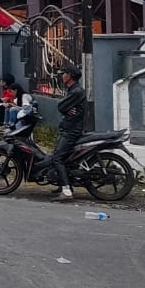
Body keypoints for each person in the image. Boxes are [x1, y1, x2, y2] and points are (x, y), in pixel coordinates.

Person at [39, 66, 87, 200]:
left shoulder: (76, 91)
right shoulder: (73, 90)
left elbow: (61, 106)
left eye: (64, 73)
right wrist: (67, 110)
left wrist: (66, 109)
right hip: (68, 128)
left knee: (57, 158)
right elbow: (64, 107)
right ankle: (65, 184)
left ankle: (66, 191)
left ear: (70, 76)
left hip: (71, 130)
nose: (62, 76)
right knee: (63, 158)